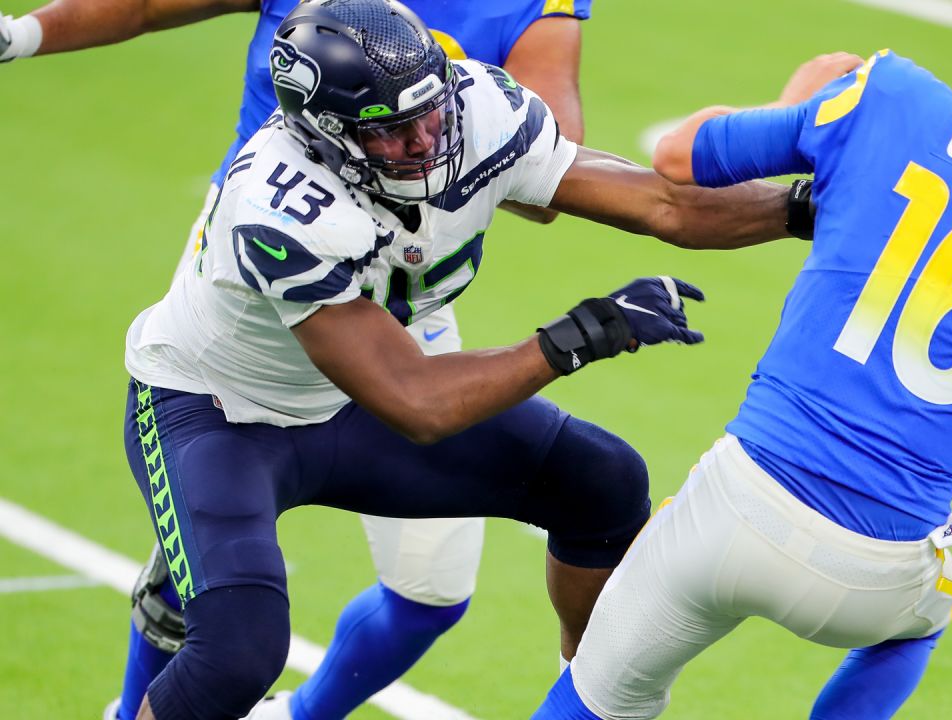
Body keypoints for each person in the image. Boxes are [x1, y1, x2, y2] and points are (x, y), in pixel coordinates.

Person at [114, 0, 830, 716]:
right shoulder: (278, 203)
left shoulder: (475, 107)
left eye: (429, 111)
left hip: (346, 403)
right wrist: (577, 336)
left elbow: (664, 206)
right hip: (218, 415)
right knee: (237, 657)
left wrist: (804, 210)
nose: (426, 139)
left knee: (601, 485)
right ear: (327, 136)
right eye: (392, 131)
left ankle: (589, 701)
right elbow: (415, 403)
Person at [533, 0, 952, 718]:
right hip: (876, 572)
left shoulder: (888, 96)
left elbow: (678, 156)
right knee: (927, 616)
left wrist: (796, 104)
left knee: (599, 695)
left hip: (735, 507)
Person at [3, 0, 596, 718]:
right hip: (264, 262)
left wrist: (454, 126)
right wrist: (20, 34)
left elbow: (549, 174)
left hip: (404, 290)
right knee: (231, 631)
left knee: (432, 591)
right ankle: (143, 688)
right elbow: (151, 5)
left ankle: (294, 712)